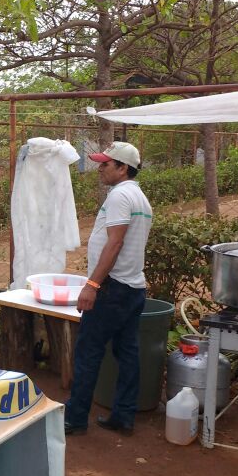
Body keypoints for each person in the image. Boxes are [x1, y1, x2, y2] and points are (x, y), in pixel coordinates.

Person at [64, 142, 153, 437]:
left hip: (111, 289)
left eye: (105, 164)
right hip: (133, 286)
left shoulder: (119, 195)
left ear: (122, 167)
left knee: (88, 351)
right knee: (128, 353)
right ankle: (123, 416)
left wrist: (92, 285)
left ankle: (75, 418)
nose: (99, 168)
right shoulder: (139, 197)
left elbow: (114, 243)